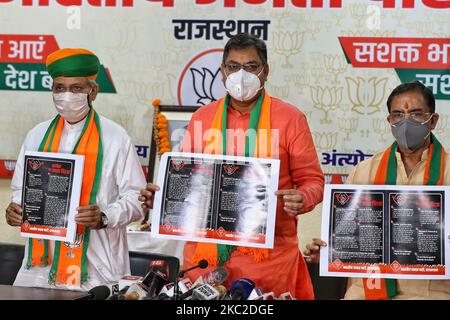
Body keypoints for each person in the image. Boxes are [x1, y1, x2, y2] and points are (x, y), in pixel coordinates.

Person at [140, 33, 324, 299]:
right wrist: (161, 200)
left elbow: (313, 181)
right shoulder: (202, 118)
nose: (241, 74)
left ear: (266, 71)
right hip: (204, 260)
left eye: (250, 66)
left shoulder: (290, 118)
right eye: (233, 66)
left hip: (267, 261)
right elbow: (185, 179)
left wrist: (302, 197)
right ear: (222, 71)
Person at [4, 48, 146, 291]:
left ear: (94, 91)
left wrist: (105, 216)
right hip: (40, 270)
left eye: (77, 88)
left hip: (96, 269)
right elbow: (21, 189)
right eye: (59, 88)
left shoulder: (115, 137)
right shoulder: (37, 135)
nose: (67, 95)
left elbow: (138, 199)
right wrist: (16, 210)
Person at [304, 81, 450, 300]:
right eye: (398, 115)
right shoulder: (363, 172)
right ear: (390, 121)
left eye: (416, 114)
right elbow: (348, 239)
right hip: (366, 293)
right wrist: (329, 254)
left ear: (433, 120)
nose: (406, 122)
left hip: (431, 293)